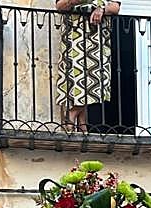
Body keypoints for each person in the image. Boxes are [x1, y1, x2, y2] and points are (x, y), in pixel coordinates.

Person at [55, 0, 121, 131]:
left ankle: (72, 114)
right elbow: (60, 5)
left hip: (98, 41)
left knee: (96, 80)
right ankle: (82, 123)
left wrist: (102, 9)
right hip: (74, 38)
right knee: (77, 79)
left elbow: (115, 7)